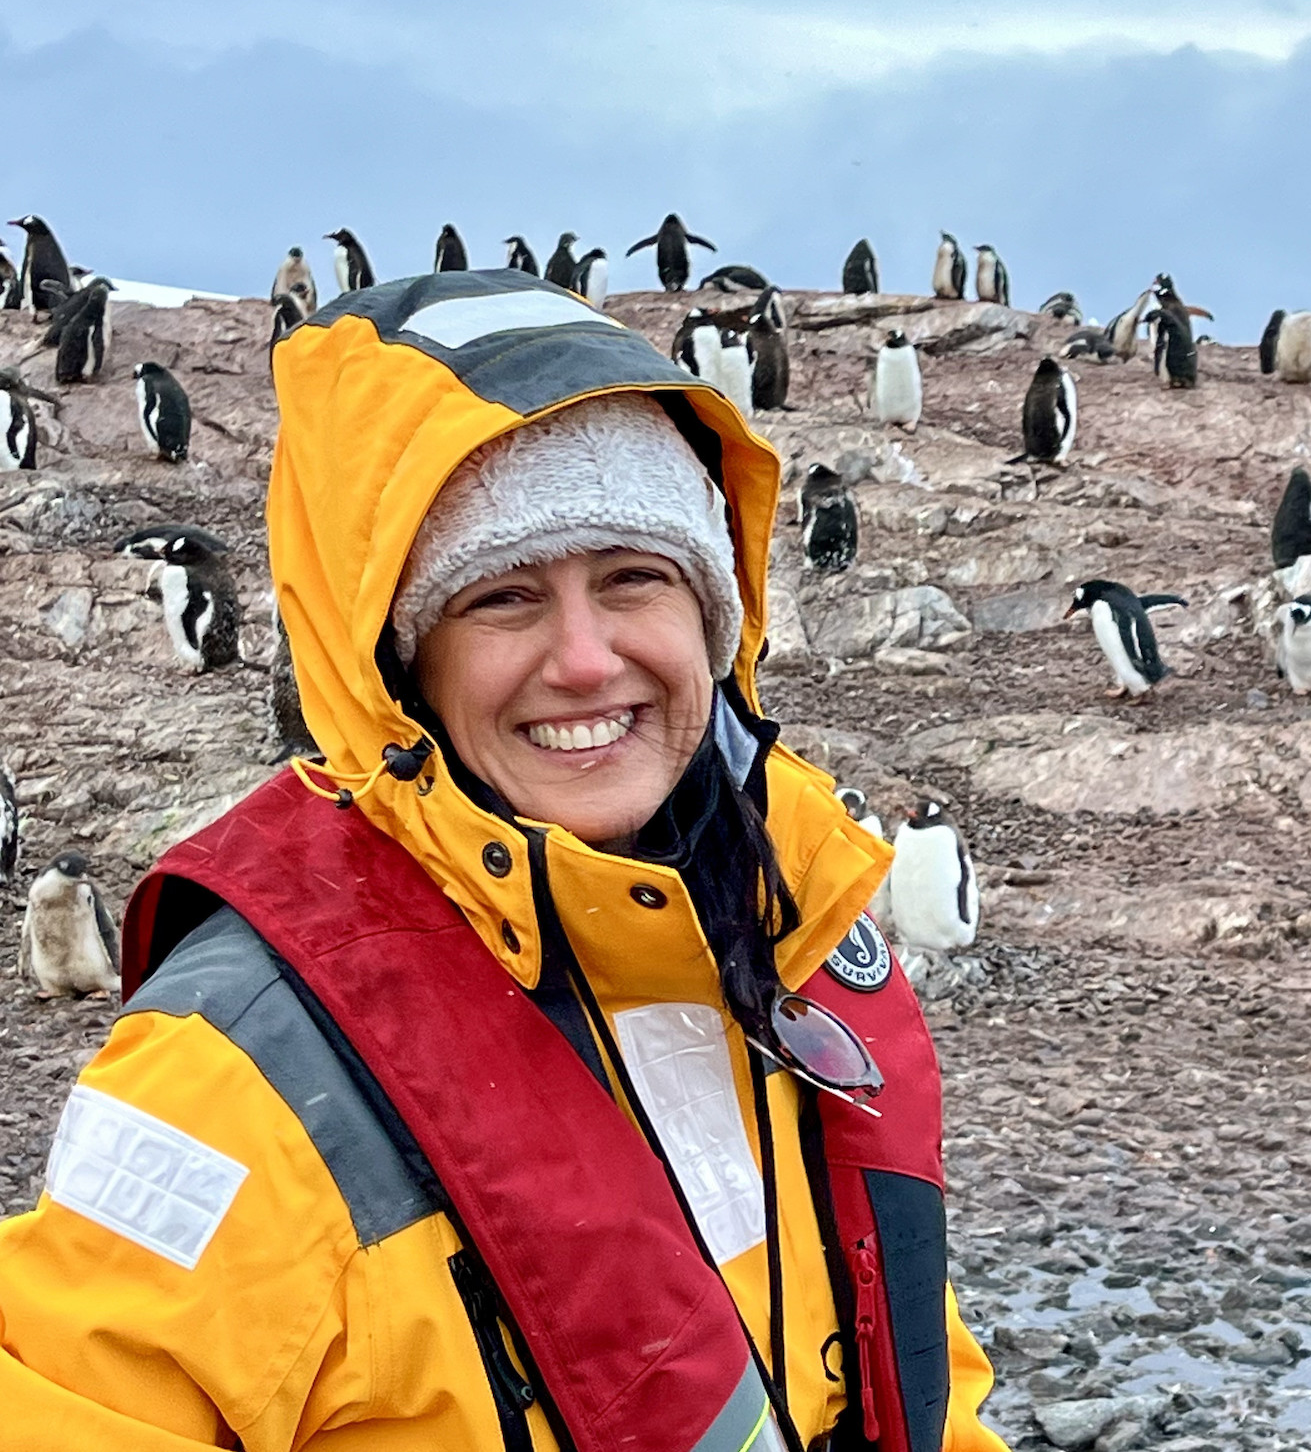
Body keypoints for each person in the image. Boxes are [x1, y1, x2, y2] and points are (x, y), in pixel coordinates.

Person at [0, 271, 1008, 1450]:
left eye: (636, 577)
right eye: (503, 598)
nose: (586, 660)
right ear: (399, 664)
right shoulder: (233, 1075)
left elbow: (925, 1384)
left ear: (718, 620)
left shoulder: (789, 941)